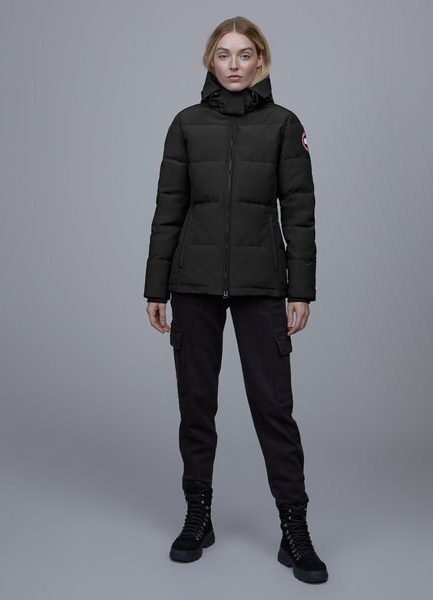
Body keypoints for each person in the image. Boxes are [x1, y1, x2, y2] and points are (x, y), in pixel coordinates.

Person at [144, 16, 328, 584]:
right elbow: (168, 209)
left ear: (260, 61)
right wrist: (155, 287)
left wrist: (301, 289)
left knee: (274, 409)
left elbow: (300, 211)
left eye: (244, 54)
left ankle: (294, 529)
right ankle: (198, 516)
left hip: (261, 285)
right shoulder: (185, 125)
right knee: (196, 405)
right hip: (193, 284)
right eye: (223, 54)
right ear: (210, 60)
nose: (233, 64)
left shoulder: (283, 125)